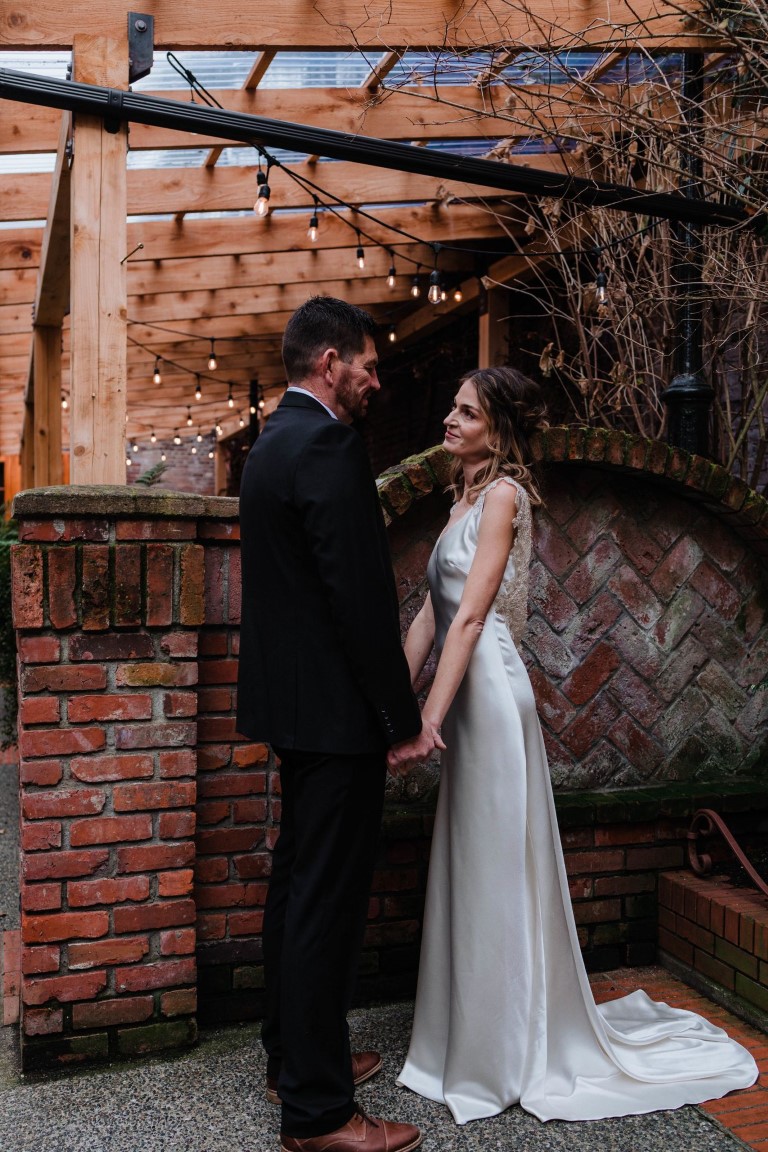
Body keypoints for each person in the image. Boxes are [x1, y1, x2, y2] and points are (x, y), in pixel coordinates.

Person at [395, 365, 758, 1123]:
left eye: (466, 412)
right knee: (468, 861)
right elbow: (429, 616)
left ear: (498, 428)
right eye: (452, 408)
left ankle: (506, 1051)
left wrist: (429, 716)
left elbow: (469, 621)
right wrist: (389, 704)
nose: (450, 421)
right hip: (464, 700)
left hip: (490, 700)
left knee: (497, 863)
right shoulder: (457, 498)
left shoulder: (502, 497)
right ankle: (463, 1039)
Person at [237, 296, 437, 1152]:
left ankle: (294, 1054)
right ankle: (319, 1115)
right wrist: (403, 718)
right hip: (336, 715)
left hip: (294, 710)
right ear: (329, 363)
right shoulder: (325, 443)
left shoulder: (268, 446)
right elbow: (358, 599)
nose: (375, 379)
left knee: (296, 884)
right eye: (368, 363)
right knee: (326, 902)